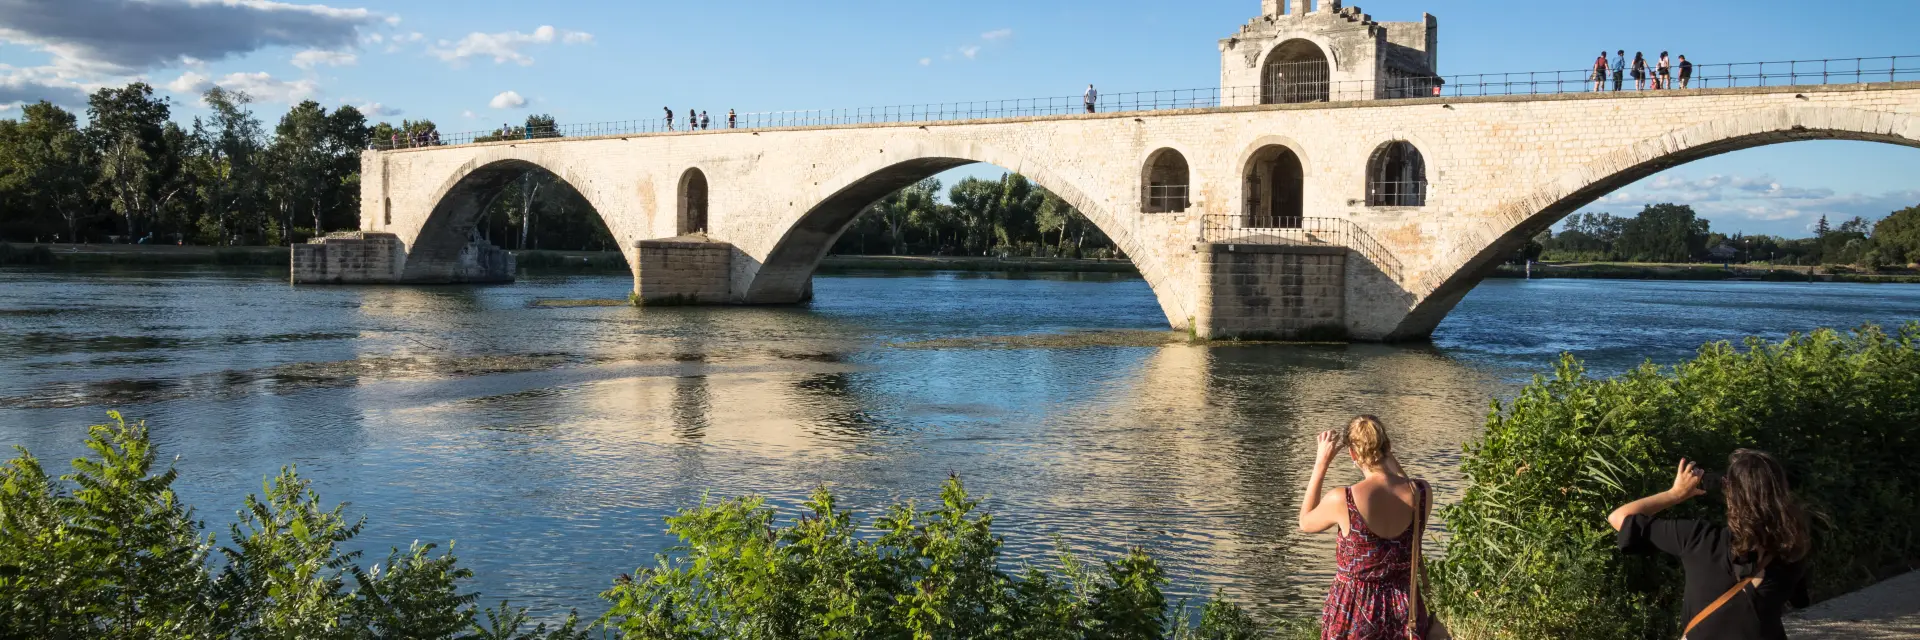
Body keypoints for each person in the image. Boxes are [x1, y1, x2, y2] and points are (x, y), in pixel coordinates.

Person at [1608, 451, 1811, 640]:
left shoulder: (1698, 539)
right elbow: (1799, 600)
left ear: (1730, 494)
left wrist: (1675, 494)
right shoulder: (1792, 551)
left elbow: (1619, 517)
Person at [1299, 416, 1439, 640]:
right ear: (1388, 447)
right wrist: (1386, 455)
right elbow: (1404, 480)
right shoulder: (1421, 493)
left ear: (1352, 454)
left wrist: (1321, 463)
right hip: (1405, 609)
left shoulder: (1344, 499)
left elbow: (1305, 522)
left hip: (1354, 610)